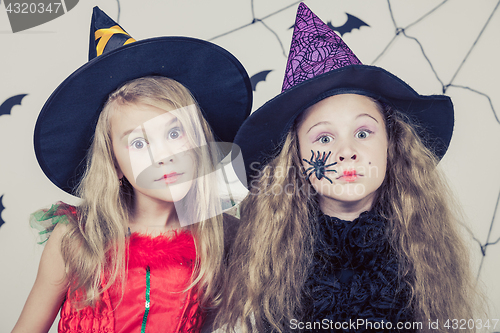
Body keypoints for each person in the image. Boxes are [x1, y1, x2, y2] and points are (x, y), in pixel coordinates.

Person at [216, 3, 481, 333]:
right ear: (296, 155)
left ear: (391, 144)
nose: (346, 152)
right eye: (324, 138)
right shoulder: (263, 255)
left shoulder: (426, 251)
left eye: (363, 132)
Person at [12, 7, 252, 333]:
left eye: (173, 133)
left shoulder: (222, 237)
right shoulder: (76, 238)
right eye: (139, 144)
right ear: (115, 164)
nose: (163, 156)